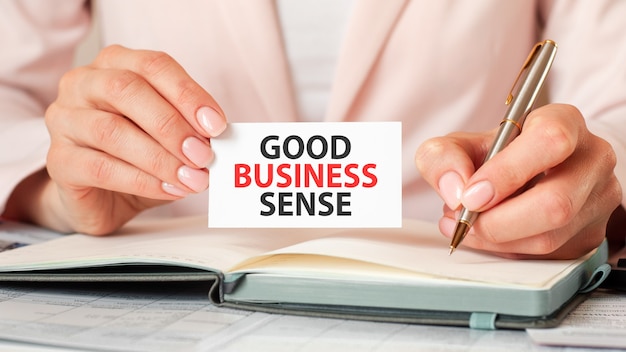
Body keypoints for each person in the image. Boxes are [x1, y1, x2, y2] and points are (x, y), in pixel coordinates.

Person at [0, 0, 624, 259]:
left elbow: (614, 95)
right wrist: (51, 188)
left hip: (460, 278)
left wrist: (584, 181)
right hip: (172, 285)